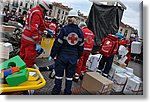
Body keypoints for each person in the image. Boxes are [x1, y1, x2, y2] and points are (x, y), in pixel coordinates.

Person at [48, 13, 84, 95]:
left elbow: (57, 44)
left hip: (62, 56)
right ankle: (67, 92)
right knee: (69, 77)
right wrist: (78, 56)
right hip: (73, 57)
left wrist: (52, 55)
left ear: (68, 19)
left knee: (59, 76)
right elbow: (81, 47)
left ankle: (56, 91)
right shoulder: (80, 32)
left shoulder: (64, 29)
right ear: (77, 19)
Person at [19, 0, 52, 67]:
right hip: (31, 39)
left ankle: (19, 69)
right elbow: (34, 28)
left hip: (25, 36)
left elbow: (37, 23)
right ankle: (26, 72)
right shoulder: (38, 13)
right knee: (29, 58)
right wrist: (37, 40)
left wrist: (47, 26)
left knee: (22, 54)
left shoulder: (33, 10)